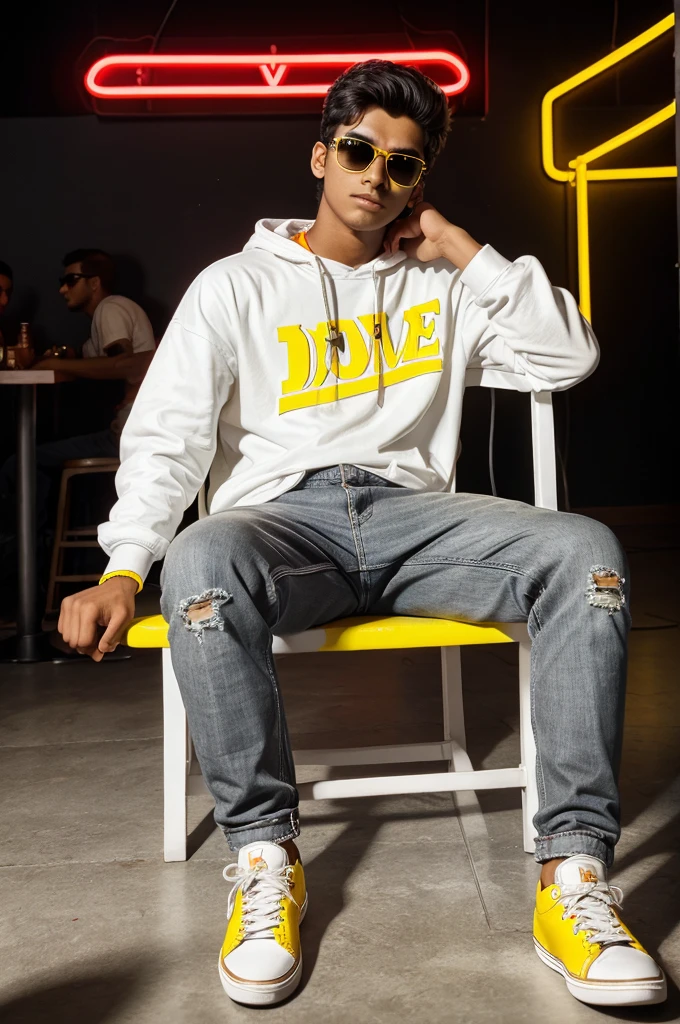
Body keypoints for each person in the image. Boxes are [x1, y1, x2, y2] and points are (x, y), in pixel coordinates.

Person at [57, 61, 666, 1009]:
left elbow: (568, 354)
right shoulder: (233, 287)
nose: (376, 178)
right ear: (320, 154)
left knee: (586, 553)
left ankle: (572, 882)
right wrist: (125, 566)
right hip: (281, 523)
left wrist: (465, 250)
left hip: (420, 519)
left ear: (422, 185)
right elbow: (168, 438)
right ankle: (267, 861)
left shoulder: (446, 282)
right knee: (202, 554)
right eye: (357, 152)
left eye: (404, 166)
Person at [0, 250, 156, 537]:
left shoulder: (110, 308)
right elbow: (98, 360)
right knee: (29, 460)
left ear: (94, 282)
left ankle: (27, 556)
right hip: (131, 431)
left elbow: (124, 364)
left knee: (20, 463)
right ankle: (34, 556)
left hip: (130, 435)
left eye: (71, 280)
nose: (62, 289)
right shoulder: (107, 315)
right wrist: (64, 355)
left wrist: (54, 363)